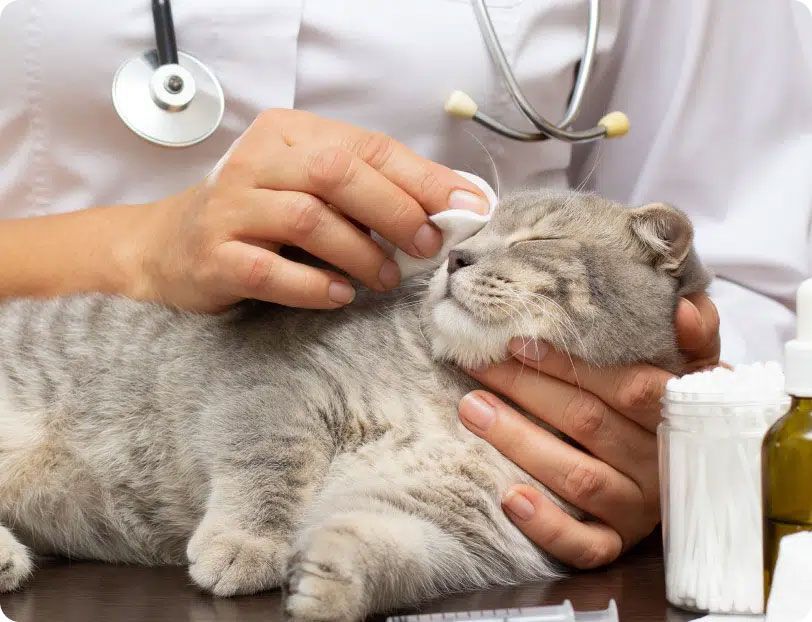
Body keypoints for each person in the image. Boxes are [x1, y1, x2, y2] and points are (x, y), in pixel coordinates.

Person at [0, 0, 809, 571]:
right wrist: (134, 251)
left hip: (516, 513)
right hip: (69, 397)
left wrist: (676, 443)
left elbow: (739, 264)